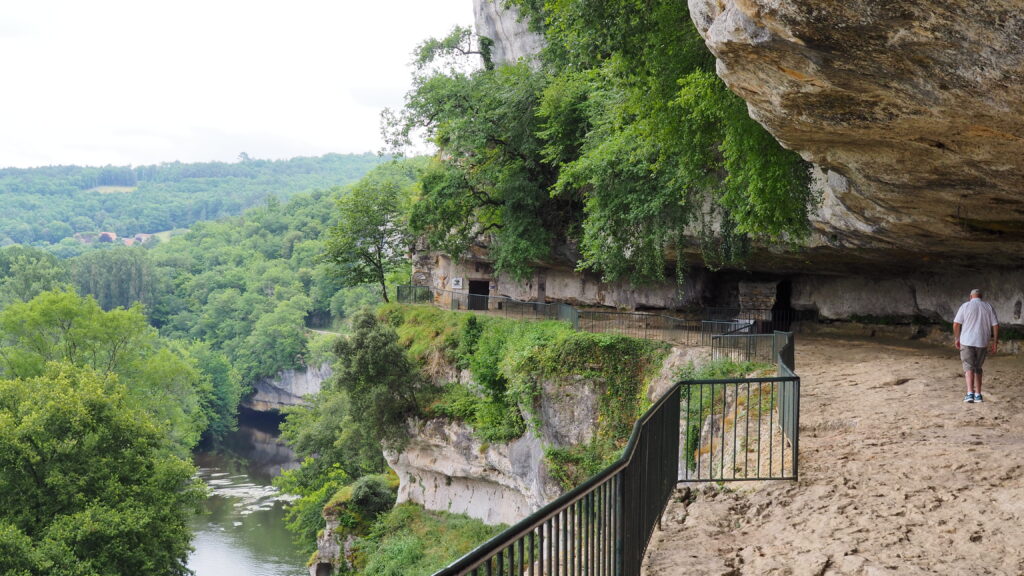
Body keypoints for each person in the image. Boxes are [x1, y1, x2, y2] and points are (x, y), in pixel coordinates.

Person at [953, 288, 999, 403]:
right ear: (981, 296)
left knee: (968, 367)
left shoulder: (965, 306)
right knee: (978, 367)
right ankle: (978, 395)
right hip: (982, 341)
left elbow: (956, 324)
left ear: (970, 296)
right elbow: (996, 325)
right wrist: (995, 341)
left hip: (967, 341)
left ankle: (970, 394)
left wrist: (957, 338)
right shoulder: (988, 306)